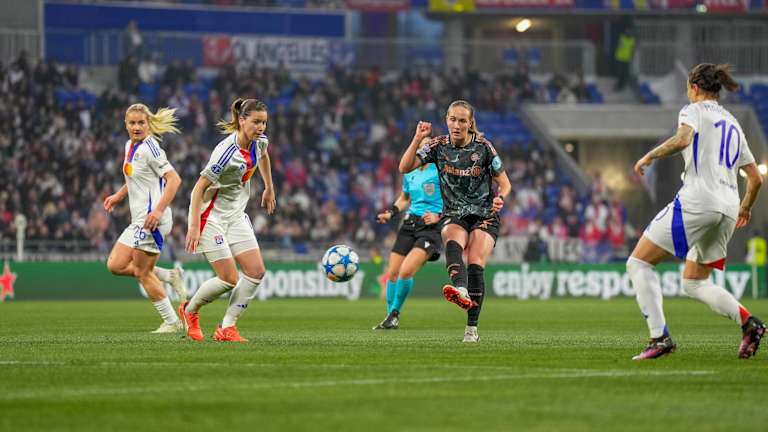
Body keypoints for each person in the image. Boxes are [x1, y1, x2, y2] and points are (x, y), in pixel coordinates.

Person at [629, 63, 765, 360]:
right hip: (728, 208)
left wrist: (649, 155)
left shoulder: (693, 111)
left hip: (699, 200)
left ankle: (659, 338)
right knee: (694, 281)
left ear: (693, 87)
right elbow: (755, 178)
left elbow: (683, 139)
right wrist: (745, 207)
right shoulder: (733, 123)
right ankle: (749, 324)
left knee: (638, 263)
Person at [398, 100, 512, 342]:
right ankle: (461, 289)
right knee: (452, 237)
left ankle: (471, 330)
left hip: (484, 214)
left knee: (475, 263)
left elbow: (505, 183)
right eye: (453, 120)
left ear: (470, 123)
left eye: (462, 121)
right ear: (446, 120)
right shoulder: (438, 146)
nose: (457, 125)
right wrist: (417, 138)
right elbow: (404, 167)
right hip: (454, 212)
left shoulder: (484, 148)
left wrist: (500, 198)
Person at [179, 98, 276, 343]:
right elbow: (198, 189)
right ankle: (190, 310)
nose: (261, 127)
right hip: (211, 217)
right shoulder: (225, 153)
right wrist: (193, 226)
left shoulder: (260, 142)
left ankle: (227, 327)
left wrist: (269, 187)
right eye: (256, 122)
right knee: (229, 279)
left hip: (236, 215)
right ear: (242, 120)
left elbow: (263, 156)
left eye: (264, 122)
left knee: (256, 271)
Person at [104, 103, 185, 333]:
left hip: (153, 220)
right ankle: (169, 275)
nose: (137, 127)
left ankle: (172, 322)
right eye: (132, 123)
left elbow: (174, 180)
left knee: (142, 272)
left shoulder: (151, 148)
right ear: (126, 124)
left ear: (148, 124)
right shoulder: (129, 145)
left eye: (141, 122)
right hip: (139, 220)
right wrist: (118, 196)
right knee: (115, 265)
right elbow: (135, 178)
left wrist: (157, 211)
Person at [373, 151, 443, 330]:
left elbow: (454, 198)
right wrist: (390, 213)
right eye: (421, 147)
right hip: (409, 224)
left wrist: (439, 216)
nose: (424, 150)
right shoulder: (410, 171)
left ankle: (394, 314)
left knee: (405, 271)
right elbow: (404, 198)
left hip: (430, 228)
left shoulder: (441, 170)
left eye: (427, 146)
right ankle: (390, 318)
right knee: (392, 273)